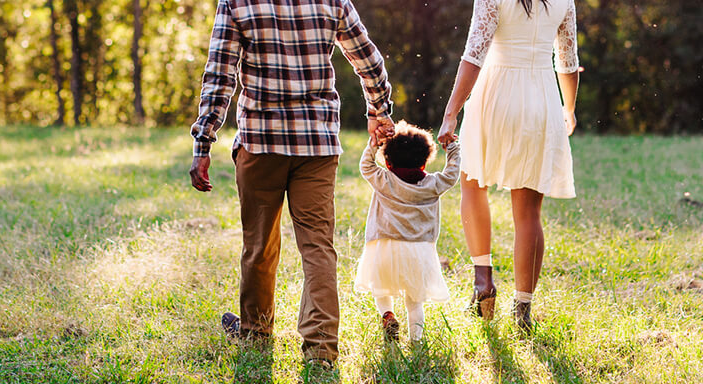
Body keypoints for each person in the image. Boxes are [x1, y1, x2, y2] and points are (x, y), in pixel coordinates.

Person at [188, 0, 395, 369]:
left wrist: (203, 141)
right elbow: (368, 59)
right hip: (316, 142)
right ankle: (320, 350)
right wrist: (378, 110)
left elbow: (219, 74)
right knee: (318, 247)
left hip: (261, 142)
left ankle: (255, 333)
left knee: (259, 244)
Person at [436, 0, 580, 331]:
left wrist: (450, 113)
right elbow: (568, 63)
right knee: (528, 212)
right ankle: (523, 307)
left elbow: (474, 54)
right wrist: (569, 108)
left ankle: (482, 282)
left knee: (473, 184)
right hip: (541, 99)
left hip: (494, 96)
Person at [354, 121, 461, 343]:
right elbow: (451, 175)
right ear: (424, 161)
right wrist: (452, 149)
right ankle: (415, 341)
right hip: (419, 252)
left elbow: (366, 166)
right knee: (415, 301)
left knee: (380, 289)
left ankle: (387, 314)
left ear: (388, 160)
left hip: (383, 248)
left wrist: (374, 143)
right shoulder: (432, 184)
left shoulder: (384, 180)